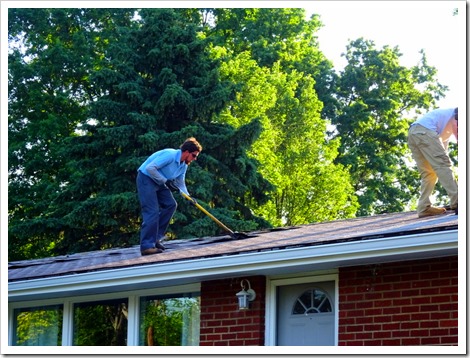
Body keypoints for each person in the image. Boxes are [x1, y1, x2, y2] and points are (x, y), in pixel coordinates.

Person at [137, 137, 202, 255]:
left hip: (159, 181)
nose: (194, 158)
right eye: (194, 155)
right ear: (186, 152)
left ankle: (156, 238)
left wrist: (188, 197)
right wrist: (165, 181)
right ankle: (146, 246)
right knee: (152, 211)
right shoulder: (170, 155)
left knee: (171, 205)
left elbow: (180, 182)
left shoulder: (183, 165)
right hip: (146, 178)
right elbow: (150, 168)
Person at [407, 108, 458, 218]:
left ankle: (424, 207)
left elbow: (442, 147)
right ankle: (458, 201)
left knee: (429, 172)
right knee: (443, 166)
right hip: (425, 132)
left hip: (414, 133)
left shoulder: (444, 127)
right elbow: (457, 126)